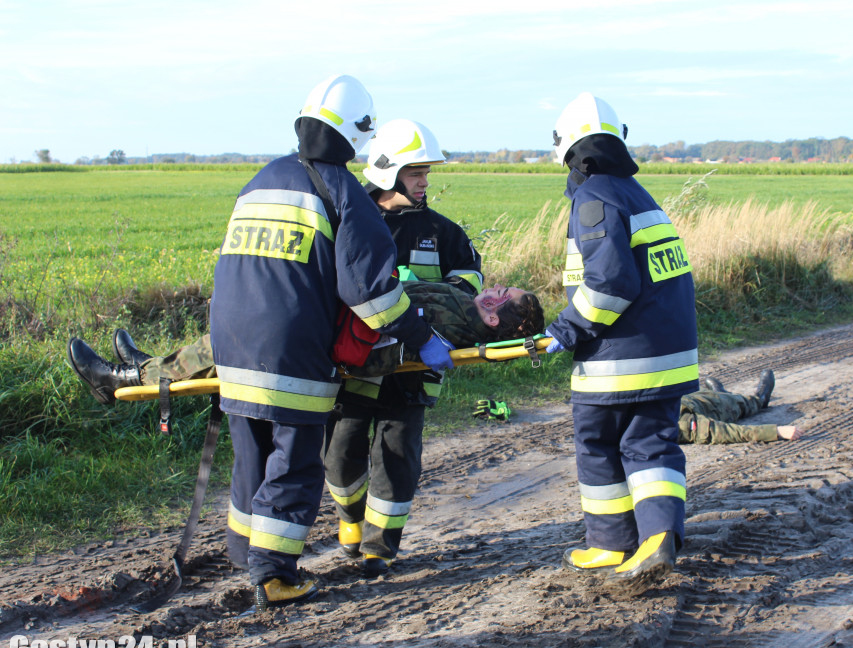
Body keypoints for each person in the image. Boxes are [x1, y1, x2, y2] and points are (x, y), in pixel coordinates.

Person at [161, 74, 454, 610]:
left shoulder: (262, 179)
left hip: (229, 343)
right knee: (294, 461)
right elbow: (369, 294)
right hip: (289, 353)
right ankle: (273, 574)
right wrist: (421, 334)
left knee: (250, 451)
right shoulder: (342, 193)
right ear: (358, 135)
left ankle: (243, 549)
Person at [544, 93, 699, 595]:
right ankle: (657, 539)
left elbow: (610, 283)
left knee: (597, 444)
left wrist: (564, 330)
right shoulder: (636, 194)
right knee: (652, 445)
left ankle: (610, 542)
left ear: (571, 152)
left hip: (618, 360)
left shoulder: (594, 198)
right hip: (667, 353)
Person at [326, 119, 483, 579]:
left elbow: (470, 285)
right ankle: (352, 518)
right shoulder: (352, 221)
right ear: (388, 172)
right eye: (416, 172)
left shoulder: (445, 232)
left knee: (396, 454)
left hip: (416, 363)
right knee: (339, 452)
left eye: (426, 172)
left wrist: (431, 295)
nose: (424, 181)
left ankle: (380, 545)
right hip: (358, 364)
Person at [67, 282, 543, 392]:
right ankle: (144, 366)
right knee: (224, 342)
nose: (497, 287)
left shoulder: (456, 327)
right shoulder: (461, 301)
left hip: (330, 340)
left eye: (504, 296)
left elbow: (385, 345)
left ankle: (122, 378)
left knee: (226, 346)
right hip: (335, 316)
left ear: (497, 322)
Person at [679, 371, 804, 444]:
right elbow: (722, 432)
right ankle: (759, 400)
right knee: (738, 403)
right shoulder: (678, 425)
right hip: (709, 407)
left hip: (686, 397)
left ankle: (721, 393)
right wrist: (775, 432)